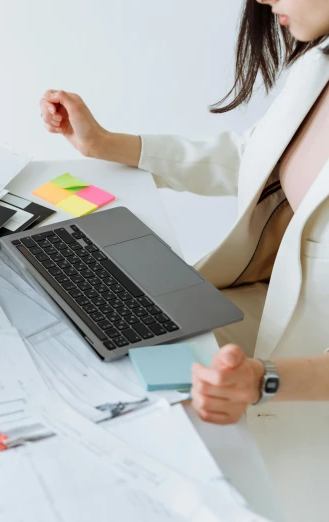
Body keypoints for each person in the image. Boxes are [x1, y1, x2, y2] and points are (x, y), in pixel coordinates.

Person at [40, 0, 329, 519]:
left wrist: (265, 380)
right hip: (269, 308)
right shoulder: (320, 60)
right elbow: (255, 154)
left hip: (307, 374)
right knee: (92, 344)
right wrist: (105, 144)